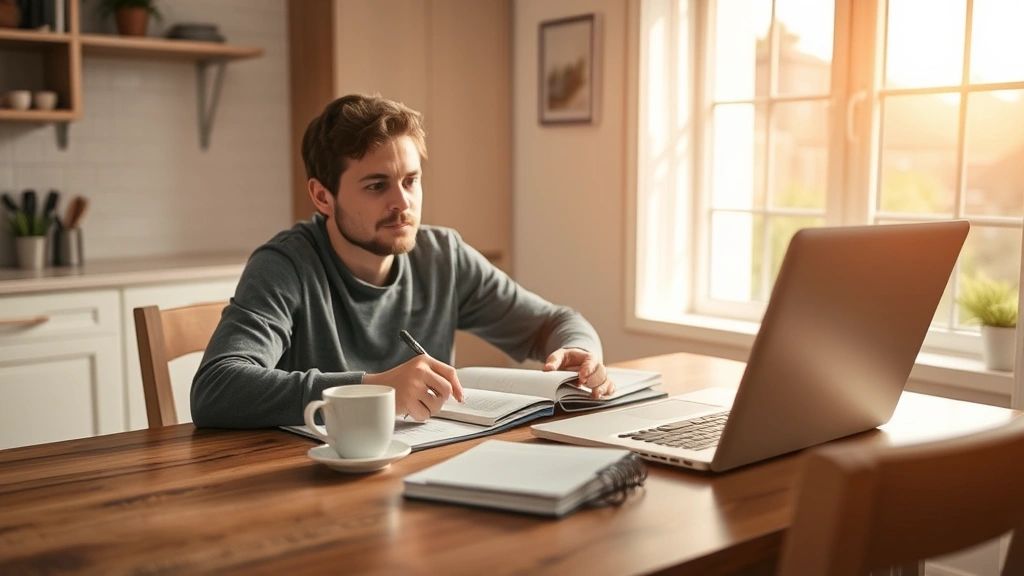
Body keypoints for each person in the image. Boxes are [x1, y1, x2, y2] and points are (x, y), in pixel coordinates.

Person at [191, 93, 612, 429]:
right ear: (323, 196)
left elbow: (555, 322)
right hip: (314, 486)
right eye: (377, 186)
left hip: (425, 478)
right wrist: (372, 387)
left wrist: (578, 351)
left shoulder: (443, 256)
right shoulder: (285, 265)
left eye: (411, 181)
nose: (402, 203)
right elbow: (216, 388)